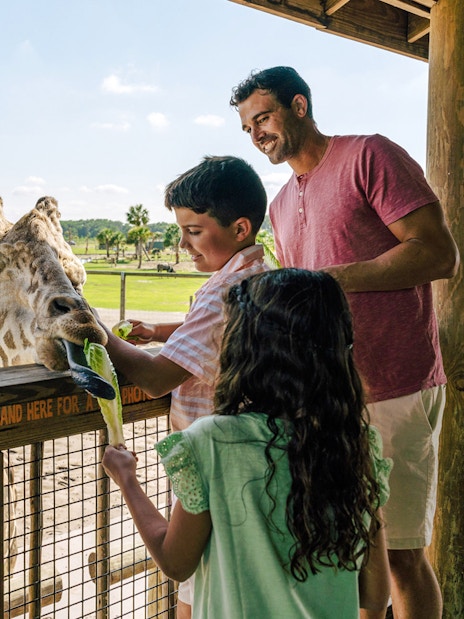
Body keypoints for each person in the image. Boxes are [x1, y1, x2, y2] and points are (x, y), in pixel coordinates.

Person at [230, 66, 460, 619]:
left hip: (396, 386)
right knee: (353, 556)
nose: (256, 133)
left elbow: (438, 254)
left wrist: (332, 277)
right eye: (246, 127)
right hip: (329, 398)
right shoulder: (282, 204)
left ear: (299, 105)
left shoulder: (369, 156)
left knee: (402, 554)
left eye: (263, 117)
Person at [103, 268, 393, 619]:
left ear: (246, 349)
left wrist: (127, 480)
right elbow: (375, 596)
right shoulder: (356, 443)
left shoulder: (212, 441)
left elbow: (175, 562)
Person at [100, 155, 269, 618]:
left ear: (239, 228)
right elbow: (215, 329)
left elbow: (155, 380)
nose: (183, 244)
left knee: (196, 593)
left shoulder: (221, 290)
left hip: (212, 465)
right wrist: (159, 333)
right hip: (252, 467)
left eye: (194, 231)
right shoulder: (263, 275)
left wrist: (100, 336)